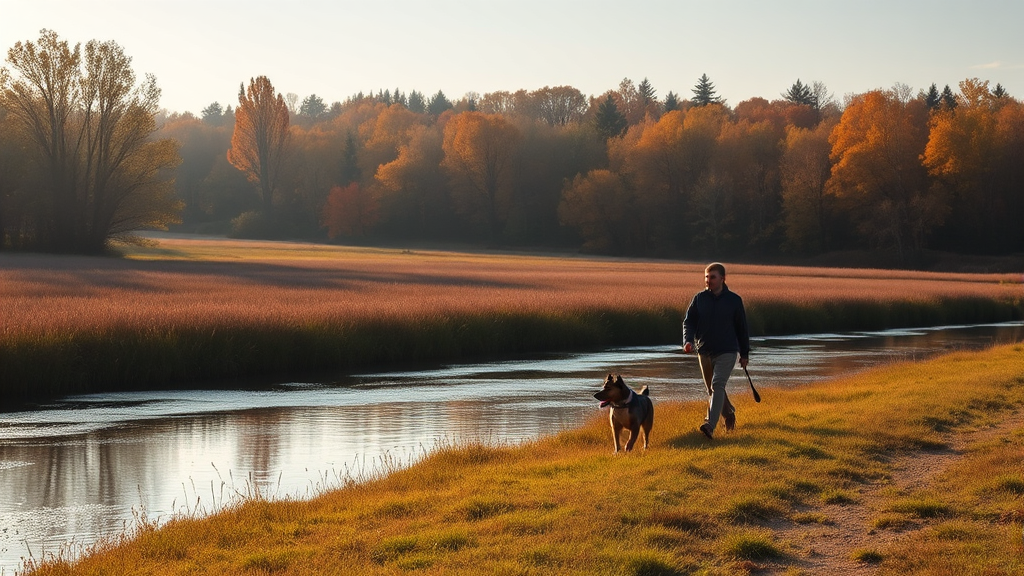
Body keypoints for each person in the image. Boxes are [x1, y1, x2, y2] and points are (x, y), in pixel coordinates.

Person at [682, 262, 750, 440]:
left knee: (717, 385)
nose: (708, 280)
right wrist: (688, 341)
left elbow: (742, 328)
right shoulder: (699, 298)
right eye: (706, 277)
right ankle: (729, 415)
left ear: (722, 278)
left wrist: (744, 354)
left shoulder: (734, 300)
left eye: (712, 277)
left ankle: (709, 425)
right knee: (712, 390)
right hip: (703, 350)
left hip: (727, 351)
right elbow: (688, 322)